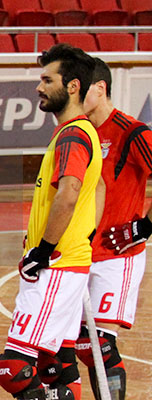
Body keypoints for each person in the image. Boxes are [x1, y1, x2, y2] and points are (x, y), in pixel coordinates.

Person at [0, 43, 101, 400]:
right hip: (70, 262)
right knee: (56, 364)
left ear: (72, 86)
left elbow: (68, 193)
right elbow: (97, 188)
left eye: (46, 79)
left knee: (13, 368)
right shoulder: (78, 132)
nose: (39, 88)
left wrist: (44, 250)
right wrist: (85, 234)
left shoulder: (73, 134)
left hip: (56, 266)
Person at [76, 56, 152, 400]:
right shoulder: (77, 132)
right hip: (79, 253)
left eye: (80, 88)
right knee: (76, 344)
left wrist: (143, 228)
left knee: (100, 345)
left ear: (100, 88)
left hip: (117, 257)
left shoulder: (132, 132)